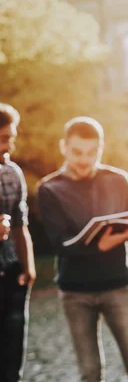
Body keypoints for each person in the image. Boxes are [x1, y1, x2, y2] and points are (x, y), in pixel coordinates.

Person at [36, 117, 128, 382]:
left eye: (92, 153)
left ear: (101, 148)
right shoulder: (49, 189)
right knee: (89, 373)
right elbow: (59, 243)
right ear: (63, 148)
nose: (84, 160)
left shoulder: (119, 179)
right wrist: (100, 245)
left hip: (119, 286)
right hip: (75, 293)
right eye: (77, 152)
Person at [0, 103, 36, 382]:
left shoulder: (14, 173)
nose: (10, 143)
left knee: (12, 364)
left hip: (13, 277)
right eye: (4, 138)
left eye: (11, 136)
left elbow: (20, 223)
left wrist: (29, 268)